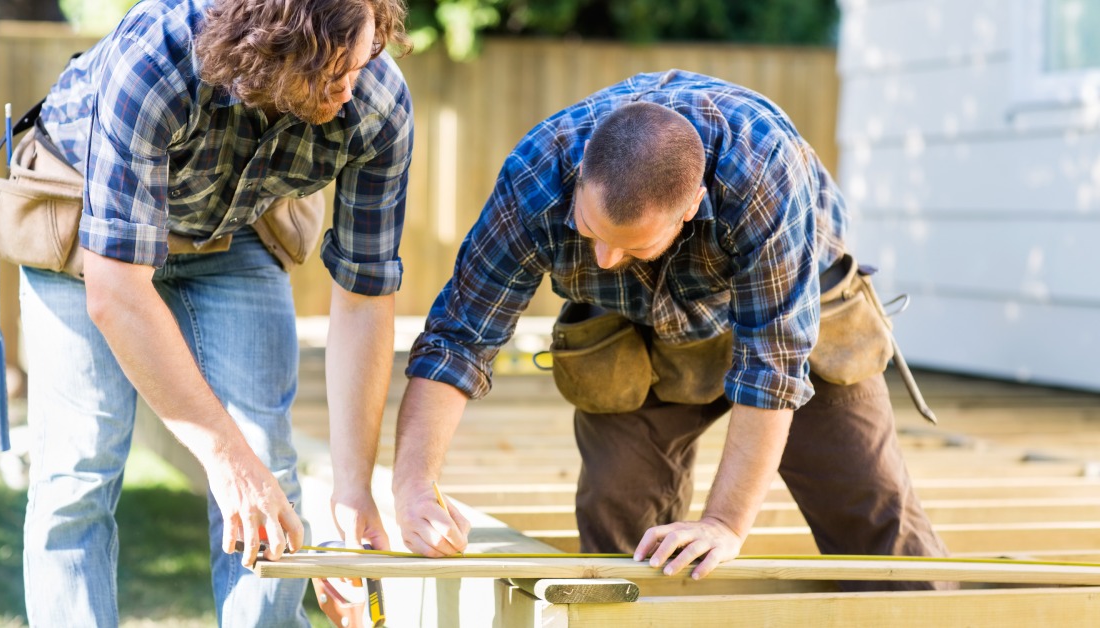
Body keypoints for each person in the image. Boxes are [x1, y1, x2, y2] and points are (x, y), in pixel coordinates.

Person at [390, 70, 953, 590]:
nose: (605, 257)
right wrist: (415, 484)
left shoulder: (760, 170)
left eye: (632, 243)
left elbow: (773, 368)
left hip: (800, 317)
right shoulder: (536, 178)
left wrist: (724, 524)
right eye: (589, 227)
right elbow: (458, 339)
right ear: (583, 169)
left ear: (691, 209)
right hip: (632, 327)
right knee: (619, 528)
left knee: (873, 517)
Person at [18, 0, 412, 625]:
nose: (349, 90)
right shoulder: (158, 55)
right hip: (86, 228)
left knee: (267, 457)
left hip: (230, 231)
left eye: (359, 64)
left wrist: (353, 488)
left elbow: (364, 296)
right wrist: (226, 463)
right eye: (329, 75)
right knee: (78, 471)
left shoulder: (377, 103)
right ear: (273, 52)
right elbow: (116, 291)